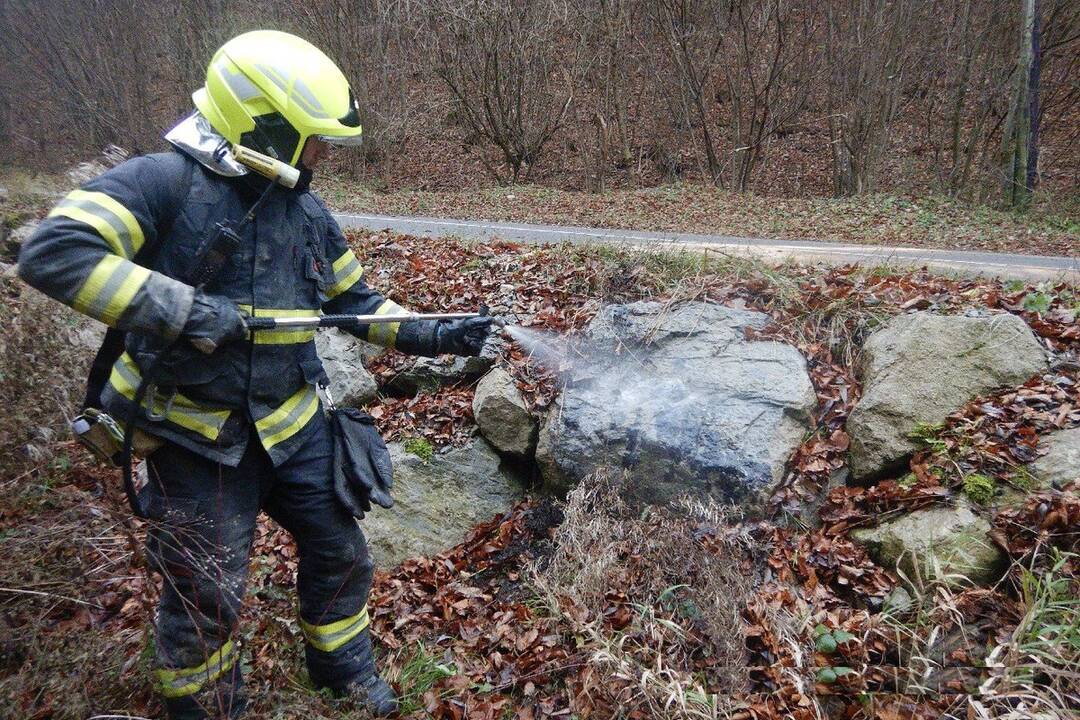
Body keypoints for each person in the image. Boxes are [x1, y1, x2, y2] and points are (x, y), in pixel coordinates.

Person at [17, 30, 494, 719]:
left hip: (294, 424)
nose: (323, 155)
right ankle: (209, 705)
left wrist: (429, 330)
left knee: (344, 553)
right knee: (207, 592)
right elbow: (55, 253)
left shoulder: (304, 210)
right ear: (261, 126)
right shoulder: (161, 184)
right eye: (312, 139)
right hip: (194, 439)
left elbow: (353, 305)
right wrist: (184, 310)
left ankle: (342, 667)